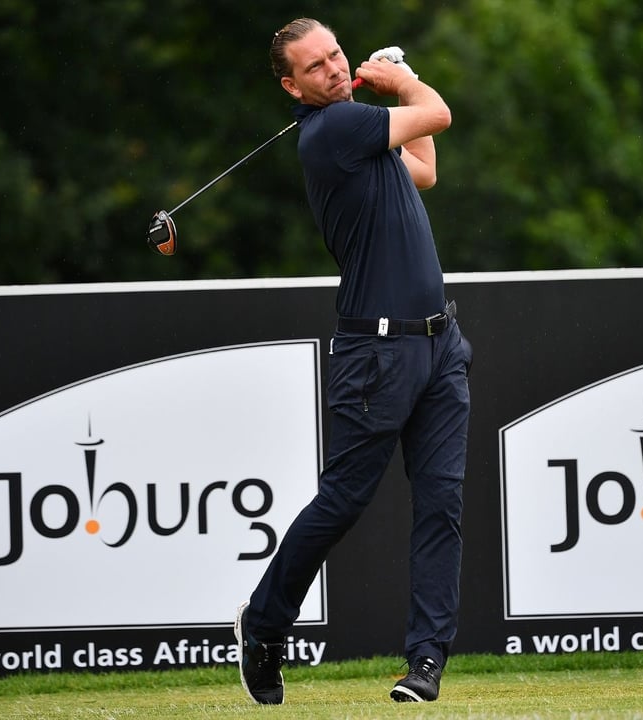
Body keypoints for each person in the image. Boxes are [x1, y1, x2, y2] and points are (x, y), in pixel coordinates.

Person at [235, 17, 472, 705]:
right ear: (292, 86)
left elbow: (423, 167)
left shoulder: (362, 134)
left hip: (438, 345)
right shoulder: (333, 132)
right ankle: (266, 622)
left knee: (441, 505)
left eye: (337, 56)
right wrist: (402, 83)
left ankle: (425, 662)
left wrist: (400, 98)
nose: (335, 70)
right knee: (343, 500)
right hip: (377, 351)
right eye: (316, 67)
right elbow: (439, 113)